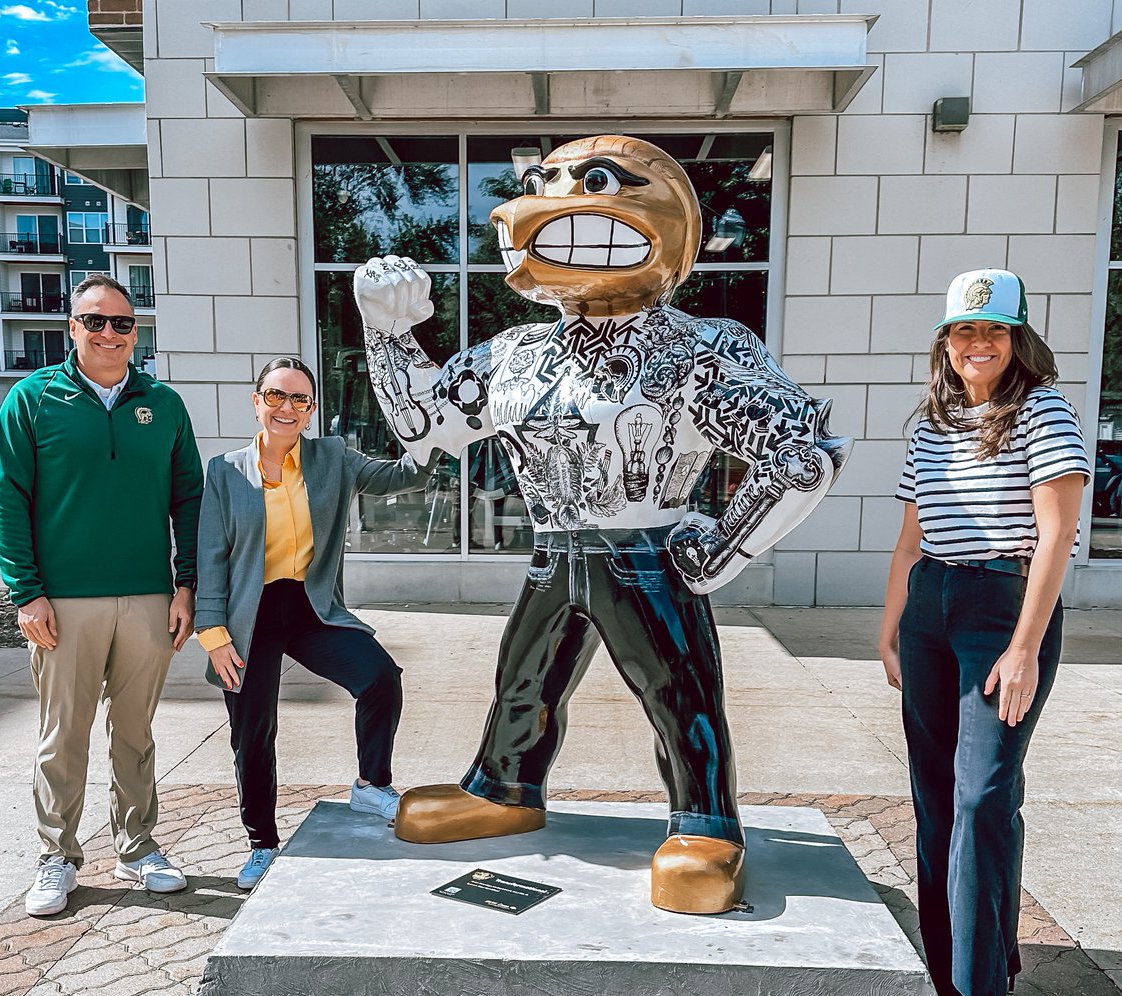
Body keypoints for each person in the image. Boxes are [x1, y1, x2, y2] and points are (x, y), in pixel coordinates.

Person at [354, 136, 849, 914]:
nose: (554, 200)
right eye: (541, 183)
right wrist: (387, 332)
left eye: (592, 183)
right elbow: (423, 425)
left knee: (677, 690)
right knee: (523, 680)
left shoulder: (700, 349)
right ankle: (506, 787)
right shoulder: (514, 354)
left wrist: (720, 552)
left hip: (646, 552)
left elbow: (799, 452)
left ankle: (706, 821)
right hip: (555, 550)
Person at [878, 268, 1090, 996]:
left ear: (1017, 339)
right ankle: (960, 969)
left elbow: (1058, 537)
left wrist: (1025, 647)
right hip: (930, 605)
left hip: (1002, 610)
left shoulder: (1043, 413)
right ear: (945, 340)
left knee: (983, 797)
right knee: (935, 797)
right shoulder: (930, 425)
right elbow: (910, 537)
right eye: (964, 331)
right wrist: (890, 624)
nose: (977, 344)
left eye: (993, 331)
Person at [0, 273, 204, 918]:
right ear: (73, 327)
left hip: (147, 597)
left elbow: (188, 499)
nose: (110, 333)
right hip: (64, 601)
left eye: (123, 323)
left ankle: (137, 848)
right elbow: (8, 499)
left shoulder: (162, 404)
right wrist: (27, 594)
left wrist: (186, 584)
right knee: (64, 733)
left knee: (135, 733)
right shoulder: (32, 400)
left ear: (136, 331)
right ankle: (57, 856)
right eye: (96, 321)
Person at [195, 357, 427, 891]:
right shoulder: (225, 471)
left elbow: (400, 476)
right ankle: (261, 844)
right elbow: (210, 557)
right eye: (276, 396)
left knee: (379, 677)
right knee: (253, 732)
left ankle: (372, 784)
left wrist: (435, 433)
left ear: (312, 409)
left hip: (309, 607)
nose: (287, 408)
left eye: (299, 399)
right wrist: (214, 635)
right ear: (257, 402)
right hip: (247, 619)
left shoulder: (332, 457)